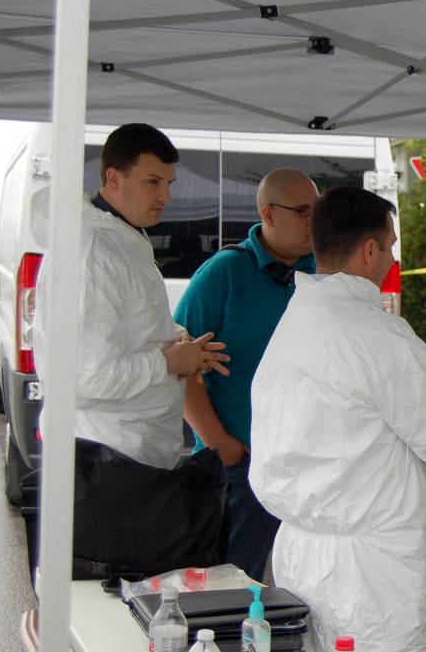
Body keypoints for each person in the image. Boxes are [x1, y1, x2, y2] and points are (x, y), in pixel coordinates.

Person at [249, 186, 426, 652]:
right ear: (370, 249)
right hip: (368, 572)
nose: (391, 258)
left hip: (302, 549)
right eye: (391, 245)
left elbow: (352, 405)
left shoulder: (299, 318)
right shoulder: (378, 333)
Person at [34, 123, 229, 470]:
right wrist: (168, 361)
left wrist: (173, 339)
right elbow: (84, 375)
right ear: (113, 179)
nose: (165, 196)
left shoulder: (121, 238)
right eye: (152, 182)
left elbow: (125, 328)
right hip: (104, 457)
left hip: (128, 453)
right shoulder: (93, 250)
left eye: (169, 184)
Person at [174, 168, 318, 580]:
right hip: (242, 468)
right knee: (233, 585)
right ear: (269, 214)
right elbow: (182, 366)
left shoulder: (320, 274)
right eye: (303, 211)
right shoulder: (222, 274)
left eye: (317, 211)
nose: (314, 222)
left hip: (305, 465)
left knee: (301, 590)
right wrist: (221, 445)